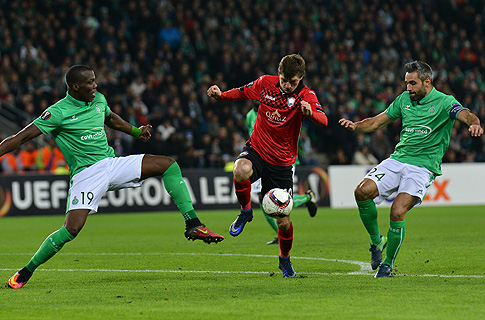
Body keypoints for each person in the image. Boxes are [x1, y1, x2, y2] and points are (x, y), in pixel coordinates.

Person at [5, 65, 224, 289]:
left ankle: (193, 224)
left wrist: (136, 132)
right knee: (71, 229)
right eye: (90, 82)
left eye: (94, 80)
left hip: (111, 163)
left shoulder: (99, 99)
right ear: (75, 86)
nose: (95, 85)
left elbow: (110, 118)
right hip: (86, 174)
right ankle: (25, 272)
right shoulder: (58, 112)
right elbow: (20, 138)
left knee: (168, 165)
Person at [339, 61, 483, 278]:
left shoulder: (444, 102)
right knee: (361, 191)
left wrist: (474, 123)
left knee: (397, 211)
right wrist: (356, 125)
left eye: (413, 83)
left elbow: (466, 114)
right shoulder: (404, 99)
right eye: (406, 83)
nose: (408, 88)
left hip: (422, 168)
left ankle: (387, 264)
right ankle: (377, 241)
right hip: (397, 160)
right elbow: (377, 122)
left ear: (427, 82)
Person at [207, 54, 328, 277]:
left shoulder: (305, 95)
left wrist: (310, 113)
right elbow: (241, 92)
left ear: (301, 77)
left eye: (293, 81)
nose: (288, 85)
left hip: (282, 163)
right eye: (284, 80)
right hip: (258, 150)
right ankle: (245, 212)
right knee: (240, 169)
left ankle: (284, 259)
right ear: (279, 74)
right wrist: (221, 95)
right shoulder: (265, 83)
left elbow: (324, 119)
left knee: (283, 221)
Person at [246, 101, 318, 245]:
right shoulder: (249, 116)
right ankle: (280, 235)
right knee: (263, 198)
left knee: (282, 199)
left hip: (282, 160)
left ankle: (306, 198)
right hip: (261, 160)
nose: (256, 99)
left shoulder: (275, 112)